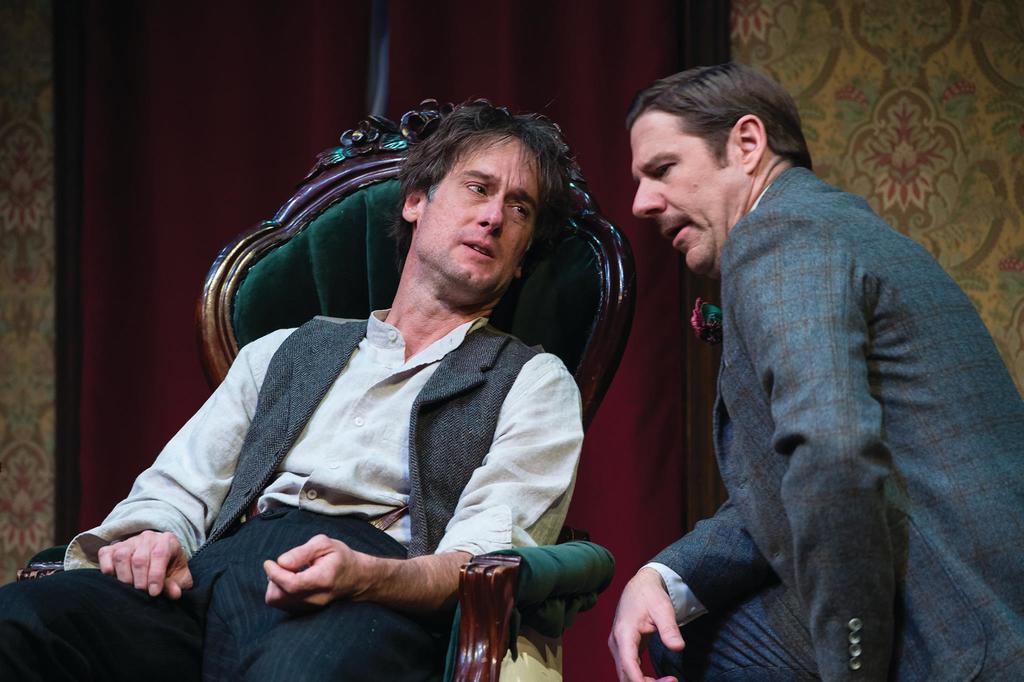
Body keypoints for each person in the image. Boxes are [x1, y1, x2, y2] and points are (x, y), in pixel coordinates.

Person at [0, 101, 584, 681]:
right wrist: (155, 536)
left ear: (522, 257)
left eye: (520, 208)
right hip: (214, 577)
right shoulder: (282, 351)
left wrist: (367, 576)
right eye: (478, 188)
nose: (494, 217)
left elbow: (481, 563)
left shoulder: (533, 382)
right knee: (20, 620)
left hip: (370, 600)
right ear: (415, 201)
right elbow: (178, 489)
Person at [609, 63, 1024, 681]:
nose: (641, 203)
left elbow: (832, 457)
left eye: (663, 169)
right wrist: (665, 575)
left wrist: (852, 670)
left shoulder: (778, 236)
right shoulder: (834, 225)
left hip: (960, 639)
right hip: (989, 614)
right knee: (683, 626)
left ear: (747, 144)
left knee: (687, 648)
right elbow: (796, 484)